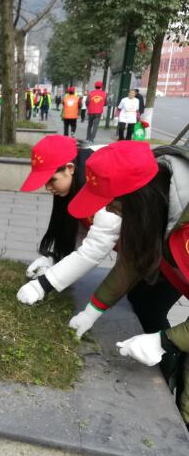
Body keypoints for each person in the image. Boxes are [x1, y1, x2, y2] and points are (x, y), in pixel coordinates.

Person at [66, 142, 189, 422]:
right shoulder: (158, 201)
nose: (108, 209)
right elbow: (134, 260)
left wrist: (166, 341)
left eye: (112, 202)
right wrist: (92, 310)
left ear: (137, 198)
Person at [16, 135, 121, 306]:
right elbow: (81, 232)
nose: (48, 188)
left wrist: (42, 286)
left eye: (52, 180)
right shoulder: (80, 176)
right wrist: (55, 260)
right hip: (135, 249)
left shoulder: (102, 182)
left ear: (70, 168)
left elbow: (96, 248)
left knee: (147, 307)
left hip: (160, 251)